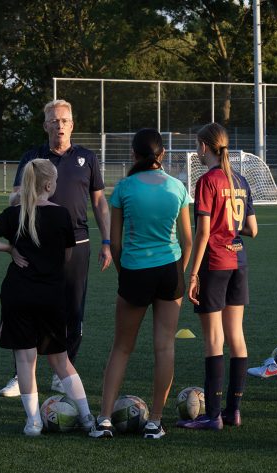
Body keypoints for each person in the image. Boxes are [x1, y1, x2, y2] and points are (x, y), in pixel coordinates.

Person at [0, 99, 112, 398]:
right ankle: (22, 375)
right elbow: (14, 197)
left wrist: (107, 242)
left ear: (73, 124)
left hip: (77, 245)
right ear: (45, 125)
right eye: (54, 120)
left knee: (72, 310)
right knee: (29, 307)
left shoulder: (87, 158)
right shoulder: (32, 157)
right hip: (36, 245)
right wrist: (25, 197)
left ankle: (65, 373)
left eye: (65, 120)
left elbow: (99, 202)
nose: (59, 125)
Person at [0, 159, 95, 436]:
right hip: (51, 295)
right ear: (50, 185)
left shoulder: (13, 213)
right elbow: (66, 256)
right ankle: (88, 417)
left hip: (18, 293)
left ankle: (34, 422)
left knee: (25, 360)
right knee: (61, 361)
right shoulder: (62, 215)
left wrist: (9, 249)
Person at [90, 129, 192, 440]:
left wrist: (126, 274)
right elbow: (187, 240)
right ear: (162, 155)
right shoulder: (177, 187)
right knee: (165, 347)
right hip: (169, 271)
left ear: (133, 155)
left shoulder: (123, 188)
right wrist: (178, 273)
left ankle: (105, 419)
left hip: (135, 270)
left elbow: (116, 243)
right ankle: (155, 422)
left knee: (121, 347)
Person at [177, 122, 257, 431]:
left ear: (203, 147)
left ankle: (212, 416)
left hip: (215, 263)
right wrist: (233, 232)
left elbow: (204, 232)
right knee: (236, 337)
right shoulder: (240, 180)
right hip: (239, 262)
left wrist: (193, 272)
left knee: (213, 339)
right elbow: (252, 229)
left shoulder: (207, 181)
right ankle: (233, 411)